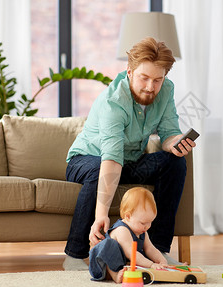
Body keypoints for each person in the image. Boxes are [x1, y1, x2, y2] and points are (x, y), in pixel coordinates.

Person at [63, 37, 196, 271]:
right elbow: (111, 160)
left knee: (174, 163)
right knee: (97, 168)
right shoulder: (114, 102)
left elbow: (168, 133)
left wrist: (176, 143)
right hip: (87, 160)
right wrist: (101, 215)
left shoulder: (166, 91)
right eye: (144, 78)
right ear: (130, 72)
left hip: (130, 161)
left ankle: (160, 252)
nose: (150, 87)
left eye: (157, 79)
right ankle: (74, 255)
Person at [89, 187, 168, 283]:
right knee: (109, 244)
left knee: (145, 256)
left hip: (126, 264)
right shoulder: (122, 230)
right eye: (143, 223)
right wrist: (151, 265)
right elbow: (131, 253)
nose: (147, 227)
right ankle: (115, 275)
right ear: (128, 216)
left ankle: (130, 270)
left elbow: (150, 249)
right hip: (102, 265)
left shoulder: (142, 231)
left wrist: (162, 261)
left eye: (150, 222)